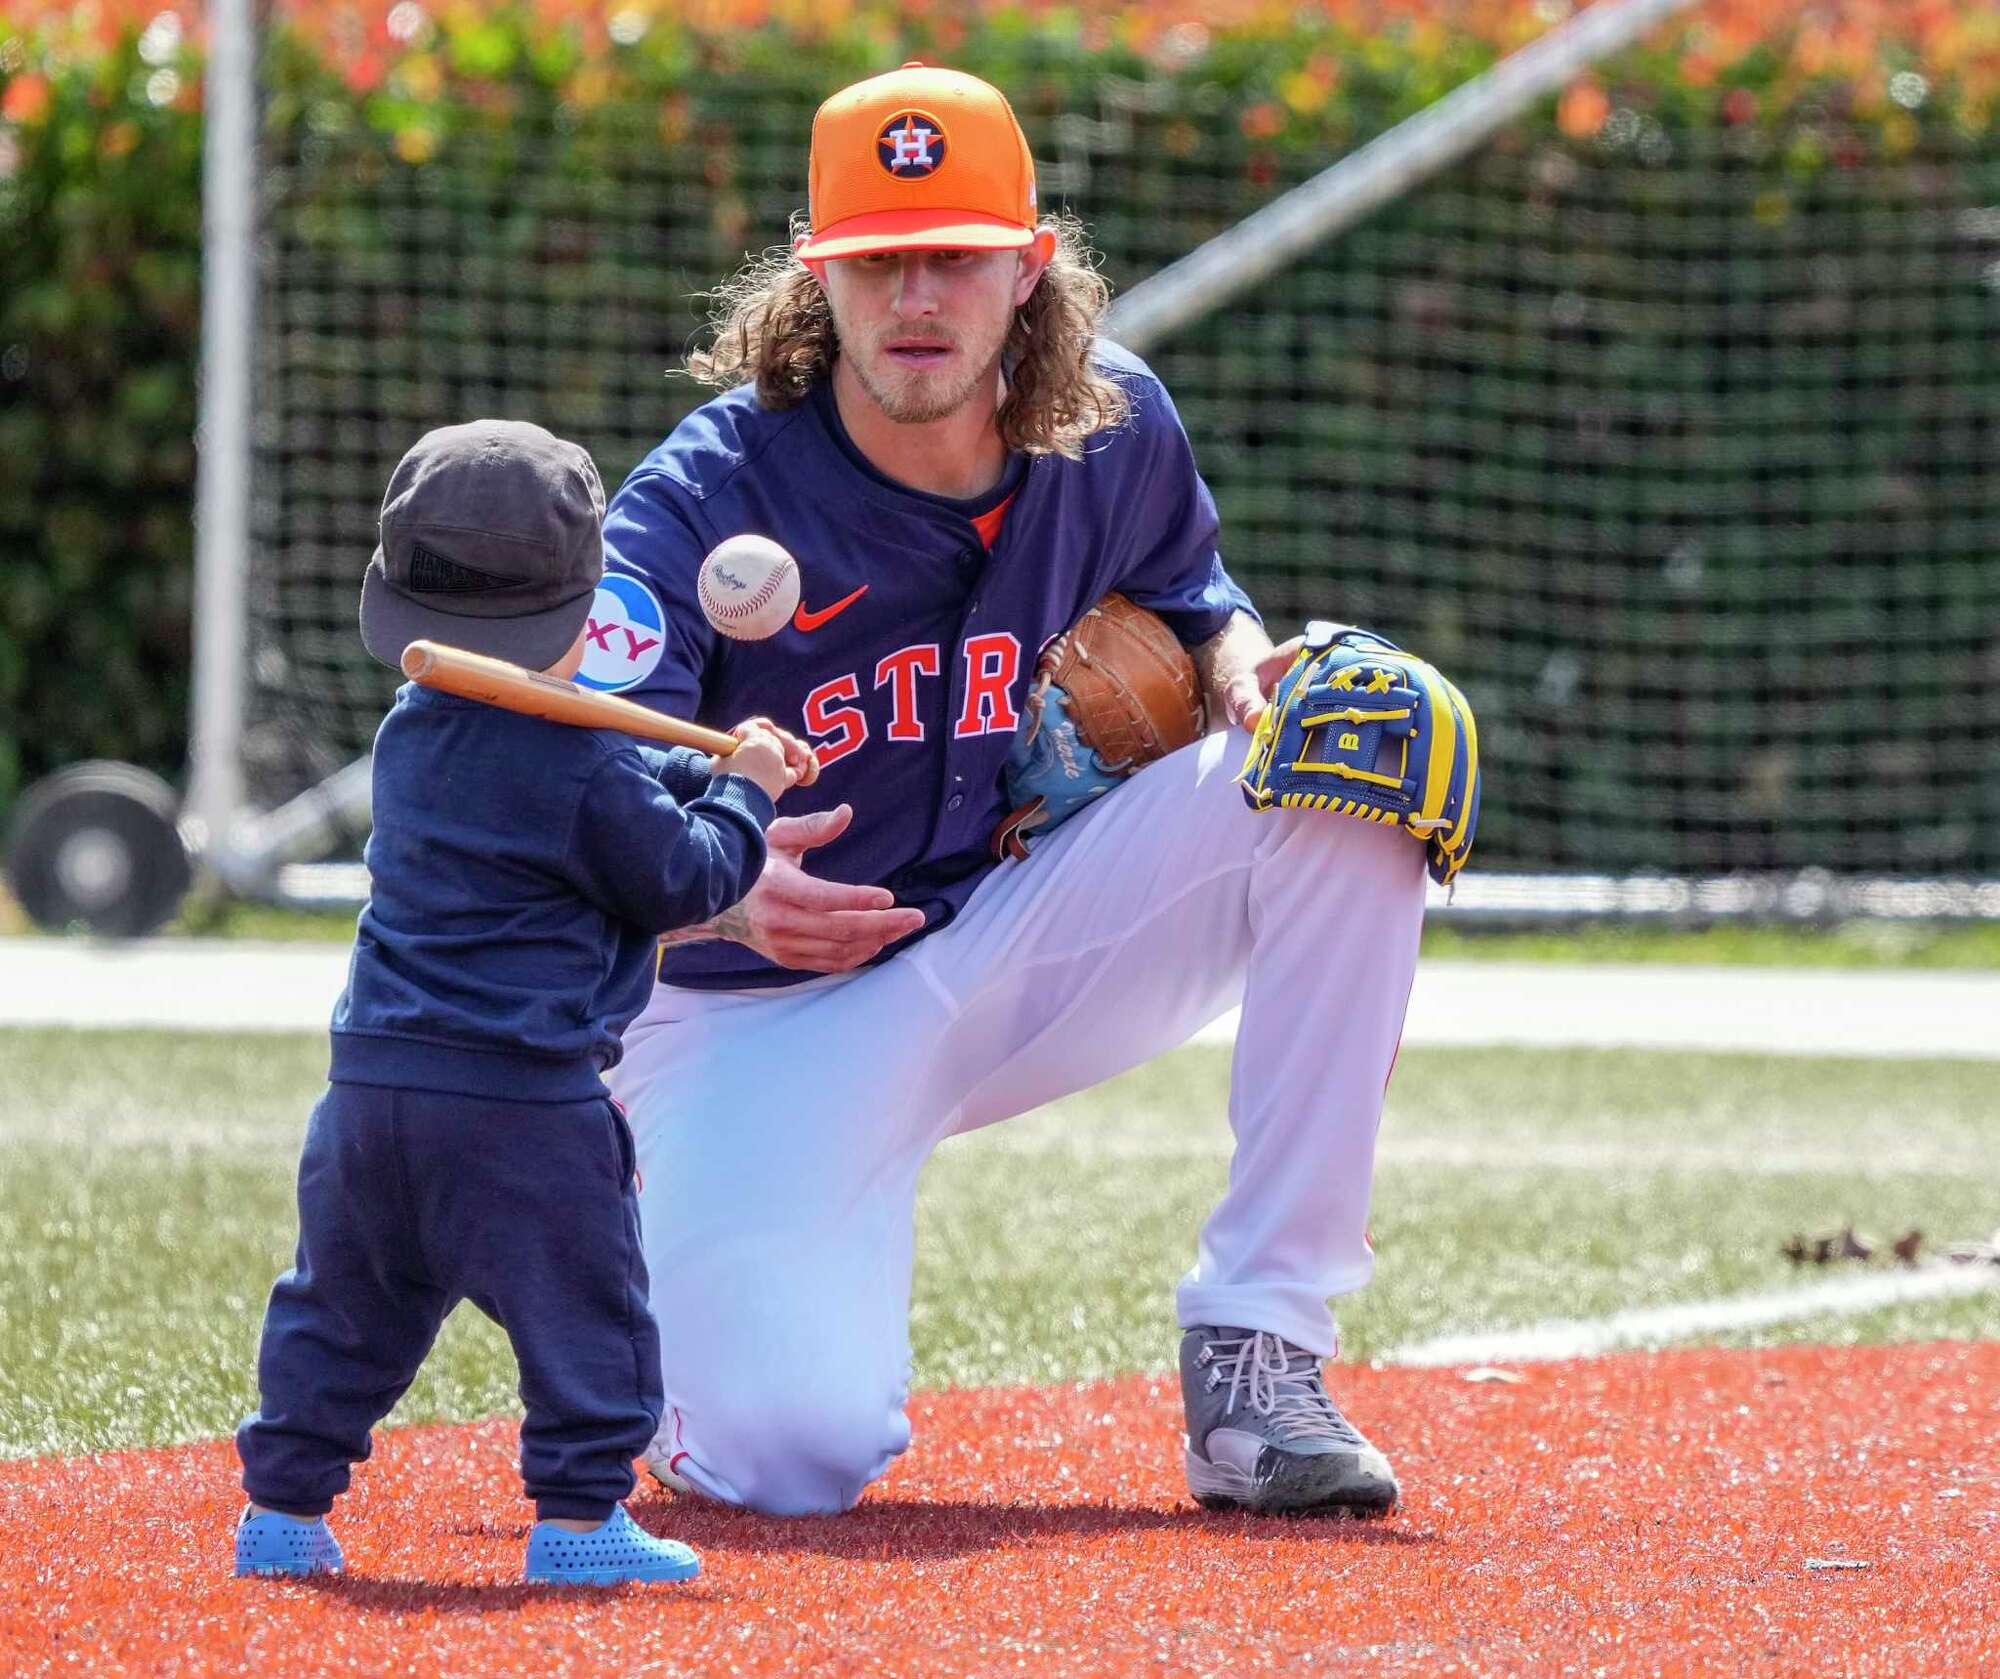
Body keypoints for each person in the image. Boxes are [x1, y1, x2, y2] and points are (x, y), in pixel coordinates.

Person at [594, 65, 1427, 1518]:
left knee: (1356, 744)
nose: (919, 297)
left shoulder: (1112, 427)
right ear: (817, 273)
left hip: (1000, 942)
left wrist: (1240, 663)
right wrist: (713, 888)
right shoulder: (701, 497)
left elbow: (1196, 598)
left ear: (1029, 270)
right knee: (792, 1456)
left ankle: (1262, 1348)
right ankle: (673, 1289)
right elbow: (579, 781)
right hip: (744, 1016)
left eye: (957, 257)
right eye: (880, 262)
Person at [232, 419, 812, 1583]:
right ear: (583, 598)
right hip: (522, 1109)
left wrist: (703, 769)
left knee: (344, 1311)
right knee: (588, 1315)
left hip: (369, 1095)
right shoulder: (582, 767)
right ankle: (578, 1521)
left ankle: (282, 1510)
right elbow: (685, 874)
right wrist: (744, 792)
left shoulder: (410, 735)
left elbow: (603, 781)